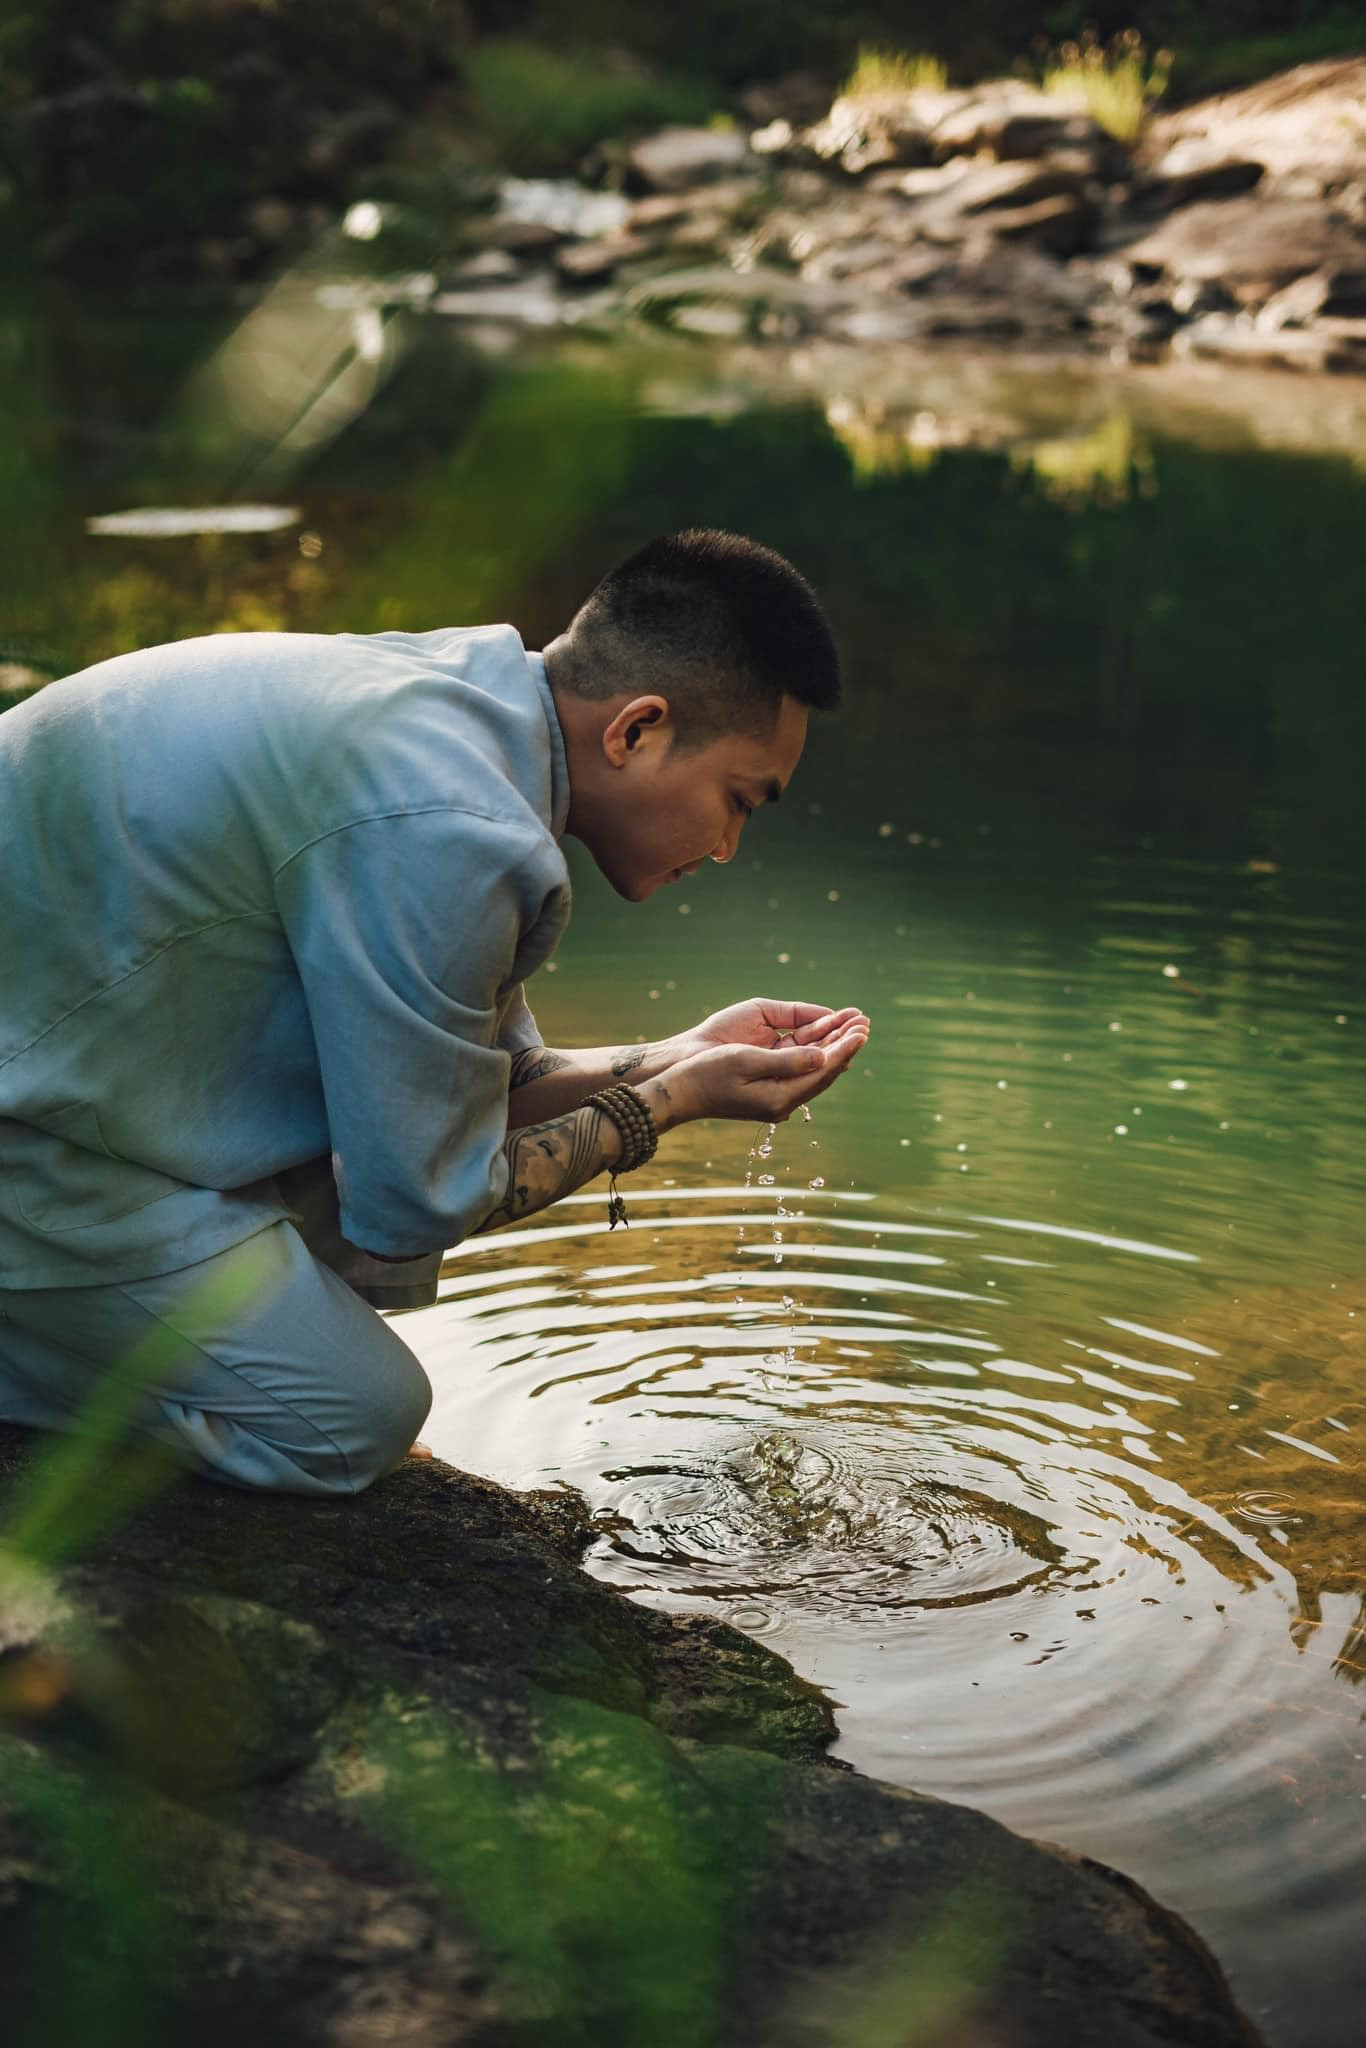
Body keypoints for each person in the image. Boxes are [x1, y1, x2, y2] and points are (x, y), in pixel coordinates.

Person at [0, 529, 868, 1495]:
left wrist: (676, 1054)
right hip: (29, 1128)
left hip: (58, 1067)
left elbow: (471, 1085)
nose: (728, 846)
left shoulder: (467, 715)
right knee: (351, 1419)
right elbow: (423, 1198)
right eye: (739, 801)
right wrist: (663, 1108)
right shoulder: (452, 829)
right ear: (637, 730)